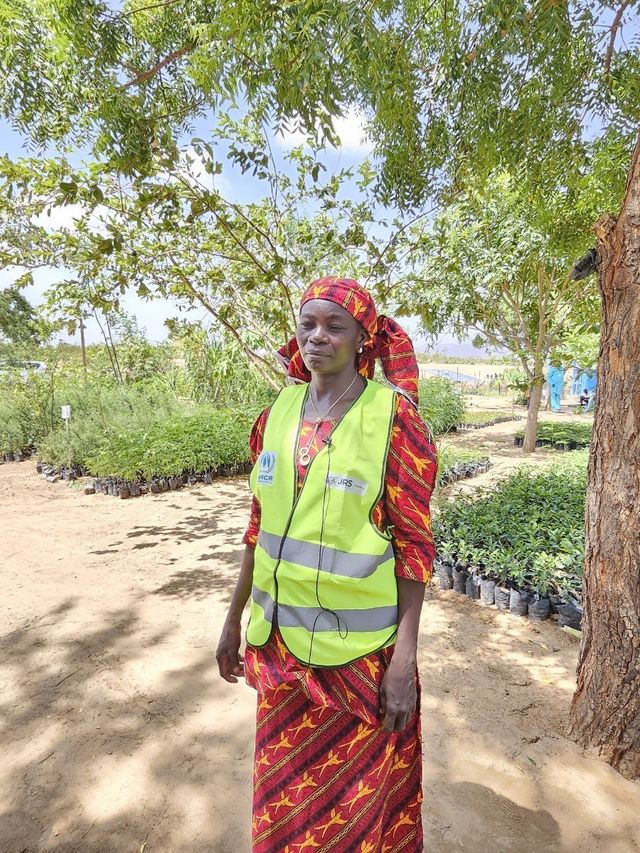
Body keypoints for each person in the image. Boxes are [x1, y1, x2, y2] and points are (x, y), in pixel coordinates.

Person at [216, 277, 437, 852]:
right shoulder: (278, 413)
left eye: (335, 326)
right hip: (280, 649)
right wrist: (231, 620)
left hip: (358, 661)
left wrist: (403, 665)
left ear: (363, 338)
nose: (318, 337)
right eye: (307, 324)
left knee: (355, 803)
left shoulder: (394, 420)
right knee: (284, 791)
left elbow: (414, 546)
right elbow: (258, 525)